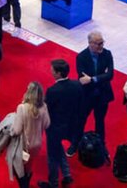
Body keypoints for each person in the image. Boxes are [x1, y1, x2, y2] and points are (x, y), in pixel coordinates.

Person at [41, 59, 83, 188]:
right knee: (58, 148)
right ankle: (66, 174)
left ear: (58, 73)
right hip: (70, 125)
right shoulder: (77, 85)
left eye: (52, 70)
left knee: (52, 155)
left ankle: (53, 183)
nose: (51, 72)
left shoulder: (53, 90)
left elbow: (46, 108)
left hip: (55, 127)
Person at [73, 31, 114, 153]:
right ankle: (75, 144)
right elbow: (82, 78)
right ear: (90, 43)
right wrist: (101, 77)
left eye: (102, 43)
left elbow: (110, 75)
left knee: (100, 121)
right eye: (99, 44)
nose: (102, 46)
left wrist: (92, 79)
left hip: (102, 95)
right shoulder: (82, 57)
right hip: (86, 95)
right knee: (80, 120)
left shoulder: (107, 54)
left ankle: (101, 146)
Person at [7, 81, 50, 188]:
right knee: (29, 165)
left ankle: (24, 185)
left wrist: (10, 130)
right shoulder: (44, 106)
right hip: (37, 144)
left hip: (24, 145)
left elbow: (17, 130)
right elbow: (47, 124)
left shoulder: (22, 108)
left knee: (18, 167)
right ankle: (26, 182)